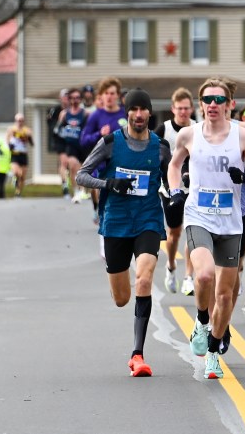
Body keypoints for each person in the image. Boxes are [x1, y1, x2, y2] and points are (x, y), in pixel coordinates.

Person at [76, 88, 170, 377]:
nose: (139, 115)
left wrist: (177, 194)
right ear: (126, 113)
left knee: (144, 279)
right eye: (134, 110)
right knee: (121, 298)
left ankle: (137, 355)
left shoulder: (160, 147)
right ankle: (122, 280)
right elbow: (81, 175)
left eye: (143, 110)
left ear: (150, 113)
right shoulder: (110, 143)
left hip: (148, 220)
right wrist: (109, 183)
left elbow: (172, 179)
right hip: (116, 222)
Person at [167, 78, 245, 379]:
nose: (213, 105)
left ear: (229, 104)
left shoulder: (244, 136)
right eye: (207, 99)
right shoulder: (189, 134)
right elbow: (174, 165)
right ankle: (202, 321)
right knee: (204, 275)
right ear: (200, 104)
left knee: (226, 295)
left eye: (219, 99)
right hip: (199, 216)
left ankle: (214, 351)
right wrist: (176, 191)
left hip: (231, 221)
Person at [154, 87, 197, 295]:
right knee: (174, 233)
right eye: (179, 108)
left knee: (192, 231)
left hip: (194, 187)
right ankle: (171, 266)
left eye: (186, 108)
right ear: (173, 109)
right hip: (170, 188)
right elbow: (152, 151)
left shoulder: (198, 128)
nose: (183, 112)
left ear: (192, 109)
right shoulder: (164, 129)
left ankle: (189, 276)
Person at [81, 77, 128, 223]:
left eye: (112, 93)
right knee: (102, 194)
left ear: (118, 95)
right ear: (101, 96)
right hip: (101, 164)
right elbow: (83, 140)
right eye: (106, 93)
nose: (109, 97)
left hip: (122, 162)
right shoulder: (96, 115)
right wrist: (99, 134)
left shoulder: (125, 114)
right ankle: (99, 210)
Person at [57, 88, 88, 203]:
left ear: (80, 99)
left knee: (82, 170)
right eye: (73, 98)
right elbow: (58, 130)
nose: (75, 100)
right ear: (69, 99)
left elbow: (90, 129)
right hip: (70, 145)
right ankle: (76, 192)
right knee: (73, 166)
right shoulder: (64, 114)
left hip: (83, 145)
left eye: (77, 98)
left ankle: (82, 190)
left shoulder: (85, 113)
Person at [5, 113, 34, 197]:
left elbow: (31, 143)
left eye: (21, 121)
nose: (19, 122)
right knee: (16, 172)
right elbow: (7, 139)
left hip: (23, 154)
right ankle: (15, 180)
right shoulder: (11, 129)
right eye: (18, 121)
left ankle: (18, 192)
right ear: (15, 121)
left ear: (23, 121)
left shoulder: (27, 130)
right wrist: (9, 145)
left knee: (22, 176)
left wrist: (29, 137)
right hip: (15, 154)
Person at [48, 89, 70, 198]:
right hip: (60, 139)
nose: (67, 99)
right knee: (63, 162)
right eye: (65, 96)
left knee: (74, 163)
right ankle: (65, 185)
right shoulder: (55, 111)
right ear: (60, 98)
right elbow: (52, 126)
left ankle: (78, 186)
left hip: (72, 139)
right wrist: (60, 121)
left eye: (68, 97)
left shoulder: (74, 110)